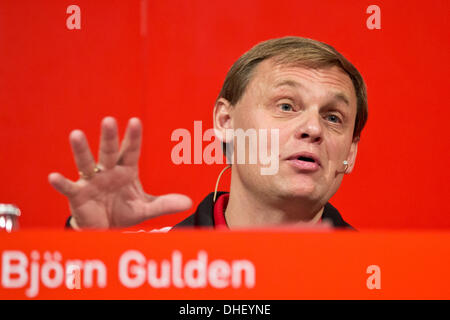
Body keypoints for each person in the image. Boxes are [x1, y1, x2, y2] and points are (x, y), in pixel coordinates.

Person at [48, 36, 368, 231]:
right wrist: (87, 248)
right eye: (286, 106)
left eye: (333, 117)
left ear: (350, 153)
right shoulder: (153, 266)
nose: (313, 129)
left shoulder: (384, 274)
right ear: (226, 122)